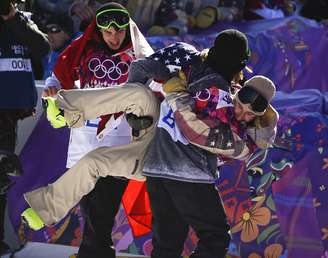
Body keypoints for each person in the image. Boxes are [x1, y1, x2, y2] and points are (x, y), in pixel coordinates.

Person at [38, 3, 155, 258]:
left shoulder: (141, 56)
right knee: (91, 217)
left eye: (120, 32)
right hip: (84, 144)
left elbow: (157, 91)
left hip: (120, 149)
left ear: (127, 29)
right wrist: (51, 89)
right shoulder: (81, 50)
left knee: (100, 216)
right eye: (109, 33)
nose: (115, 38)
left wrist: (144, 117)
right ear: (98, 31)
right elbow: (57, 77)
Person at [0, 0, 50, 254]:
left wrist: (12, 17)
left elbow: (41, 46)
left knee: (2, 177)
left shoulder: (19, 20)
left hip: (9, 109)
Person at [42, 14, 76, 79]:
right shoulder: (46, 54)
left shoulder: (79, 50)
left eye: (54, 30)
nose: (49, 35)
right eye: (47, 30)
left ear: (67, 34)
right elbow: (46, 82)